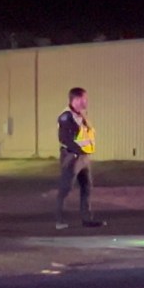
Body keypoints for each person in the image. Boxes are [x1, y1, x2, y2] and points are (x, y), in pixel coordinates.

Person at [55, 87, 106, 229]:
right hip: (72, 156)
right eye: (84, 99)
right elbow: (64, 138)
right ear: (76, 99)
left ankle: (87, 219)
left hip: (83, 157)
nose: (86, 102)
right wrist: (77, 151)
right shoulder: (66, 117)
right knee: (65, 188)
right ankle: (59, 220)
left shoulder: (81, 115)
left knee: (87, 187)